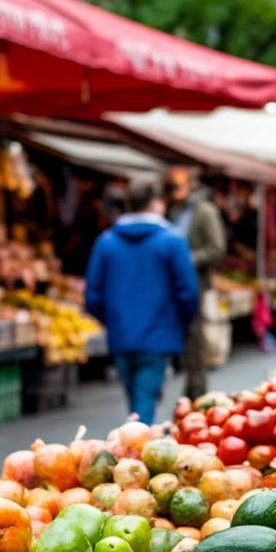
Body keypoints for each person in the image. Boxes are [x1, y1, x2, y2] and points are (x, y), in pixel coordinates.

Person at [86, 180, 200, 423]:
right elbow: (189, 292)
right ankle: (139, 441)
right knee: (144, 403)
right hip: (159, 335)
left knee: (136, 401)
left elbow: (93, 295)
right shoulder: (173, 241)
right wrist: (178, 324)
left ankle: (135, 436)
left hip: (121, 335)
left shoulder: (106, 242)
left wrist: (113, 320)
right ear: (156, 203)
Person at [164, 167, 226, 400]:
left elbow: (216, 248)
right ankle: (189, 389)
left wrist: (189, 258)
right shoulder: (173, 211)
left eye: (178, 185)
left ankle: (197, 390)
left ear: (190, 185)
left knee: (195, 337)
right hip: (173, 282)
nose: (174, 191)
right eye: (171, 186)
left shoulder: (205, 211)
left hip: (195, 281)